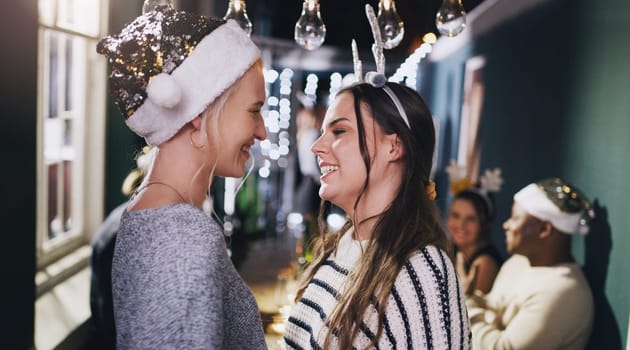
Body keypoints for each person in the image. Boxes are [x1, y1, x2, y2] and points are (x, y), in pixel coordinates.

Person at [283, 9, 471, 342]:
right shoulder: (340, 246)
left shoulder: (420, 271)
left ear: (393, 147)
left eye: (339, 131)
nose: (317, 148)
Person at [96, 5, 267, 349]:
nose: (262, 132)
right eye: (254, 110)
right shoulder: (184, 236)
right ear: (198, 113)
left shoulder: (143, 214)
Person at [466, 178, 595, 349]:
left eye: (515, 218)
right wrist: (473, 299)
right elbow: (493, 308)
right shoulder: (519, 262)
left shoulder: (562, 291)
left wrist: (464, 304)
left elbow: (502, 347)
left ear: (544, 230)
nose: (506, 225)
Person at [445, 164, 504, 294]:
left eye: (471, 219)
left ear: (483, 223)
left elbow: (473, 311)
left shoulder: (485, 263)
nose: (461, 225)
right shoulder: (450, 251)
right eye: (455, 216)